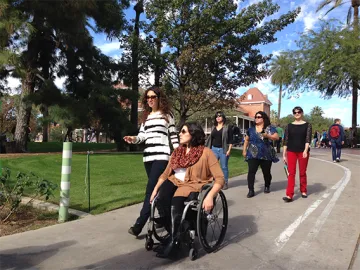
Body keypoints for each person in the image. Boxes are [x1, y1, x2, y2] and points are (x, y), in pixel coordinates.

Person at [150, 122, 224, 258]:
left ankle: (175, 242)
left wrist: (210, 196)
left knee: (175, 205)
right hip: (174, 181)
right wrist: (155, 189)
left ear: (193, 134)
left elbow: (220, 178)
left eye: (183, 132)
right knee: (161, 200)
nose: (180, 134)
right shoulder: (178, 151)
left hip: (191, 185)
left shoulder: (206, 153)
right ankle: (174, 234)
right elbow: (166, 173)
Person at [123, 86, 179, 237]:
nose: (150, 99)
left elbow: (173, 136)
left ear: (160, 98)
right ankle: (164, 219)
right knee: (158, 190)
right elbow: (142, 136)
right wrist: (133, 139)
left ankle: (139, 224)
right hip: (148, 157)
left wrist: (179, 153)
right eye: (148, 97)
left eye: (153, 97)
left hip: (161, 157)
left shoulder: (167, 115)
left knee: (151, 190)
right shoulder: (146, 116)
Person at [242, 111, 279, 198]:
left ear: (263, 118)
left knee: (266, 172)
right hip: (252, 153)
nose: (256, 118)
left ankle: (267, 186)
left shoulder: (270, 128)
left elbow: (276, 137)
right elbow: (246, 140)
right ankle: (251, 190)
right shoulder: (251, 129)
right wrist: (244, 150)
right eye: (256, 117)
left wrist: (267, 136)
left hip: (266, 154)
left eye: (259, 117)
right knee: (251, 172)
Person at [282, 106, 312, 202]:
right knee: (291, 173)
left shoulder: (307, 125)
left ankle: (303, 190)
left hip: (302, 151)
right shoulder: (289, 126)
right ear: (293, 114)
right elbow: (286, 140)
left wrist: (305, 150)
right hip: (291, 151)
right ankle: (289, 194)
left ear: (302, 113)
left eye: (299, 112)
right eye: (295, 112)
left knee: (302, 172)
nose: (297, 113)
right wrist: (284, 154)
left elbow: (308, 139)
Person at [205, 111, 233, 190]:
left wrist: (229, 150)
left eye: (220, 116)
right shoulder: (214, 127)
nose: (218, 117)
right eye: (217, 116)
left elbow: (231, 140)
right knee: (213, 166)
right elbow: (211, 139)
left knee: (224, 167)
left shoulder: (227, 127)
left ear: (223, 117)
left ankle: (225, 183)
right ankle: (215, 181)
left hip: (223, 149)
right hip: (214, 149)